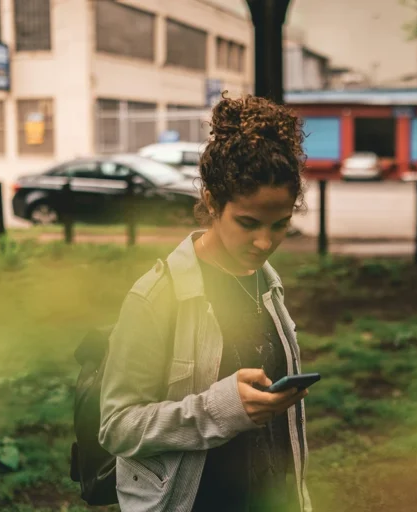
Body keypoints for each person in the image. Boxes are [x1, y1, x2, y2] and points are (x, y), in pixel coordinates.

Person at [99, 93, 312, 512]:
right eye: (248, 224)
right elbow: (117, 427)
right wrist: (219, 409)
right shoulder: (158, 295)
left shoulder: (267, 283)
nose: (265, 242)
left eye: (281, 224)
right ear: (212, 202)